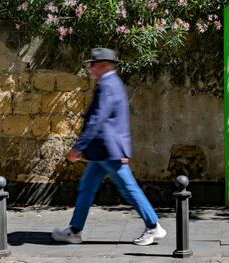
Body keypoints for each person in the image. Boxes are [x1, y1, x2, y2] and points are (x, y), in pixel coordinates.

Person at [51, 48, 166, 246]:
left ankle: (153, 226)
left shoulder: (107, 85)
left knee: (129, 189)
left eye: (93, 65)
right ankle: (75, 230)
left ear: (104, 65)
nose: (90, 69)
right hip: (103, 151)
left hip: (108, 150)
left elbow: (97, 119)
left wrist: (78, 147)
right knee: (86, 188)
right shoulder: (113, 83)